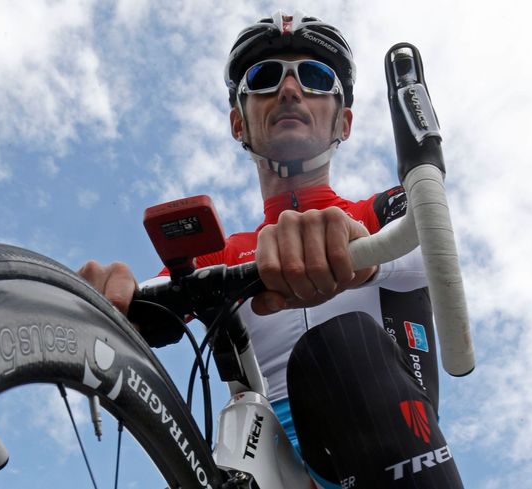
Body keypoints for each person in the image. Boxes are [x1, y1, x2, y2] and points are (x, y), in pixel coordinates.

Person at [79, 11, 464, 488]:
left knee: (342, 348)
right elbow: (151, 313)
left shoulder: (382, 210)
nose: (288, 90)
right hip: (265, 461)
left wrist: (358, 252)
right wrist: (108, 300)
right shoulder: (222, 253)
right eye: (264, 78)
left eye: (314, 77)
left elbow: (435, 251)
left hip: (374, 446)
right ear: (238, 123)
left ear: (343, 122)